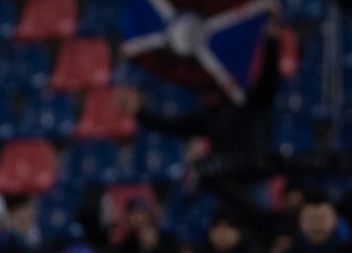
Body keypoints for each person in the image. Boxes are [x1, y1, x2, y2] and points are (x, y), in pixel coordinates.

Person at [116, 28, 283, 159]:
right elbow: (172, 125)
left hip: (254, 180)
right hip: (226, 185)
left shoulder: (255, 100)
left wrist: (272, 39)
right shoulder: (212, 113)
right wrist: (139, 113)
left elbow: (270, 75)